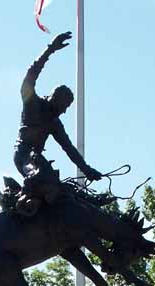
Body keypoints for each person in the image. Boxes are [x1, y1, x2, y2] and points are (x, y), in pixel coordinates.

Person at [14, 31, 101, 213]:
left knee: (60, 188)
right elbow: (30, 76)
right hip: (24, 157)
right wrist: (50, 50)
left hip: (37, 158)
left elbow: (69, 149)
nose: (65, 110)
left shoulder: (55, 123)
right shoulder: (33, 104)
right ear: (55, 98)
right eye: (65, 105)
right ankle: (22, 206)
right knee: (39, 177)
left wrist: (87, 170)